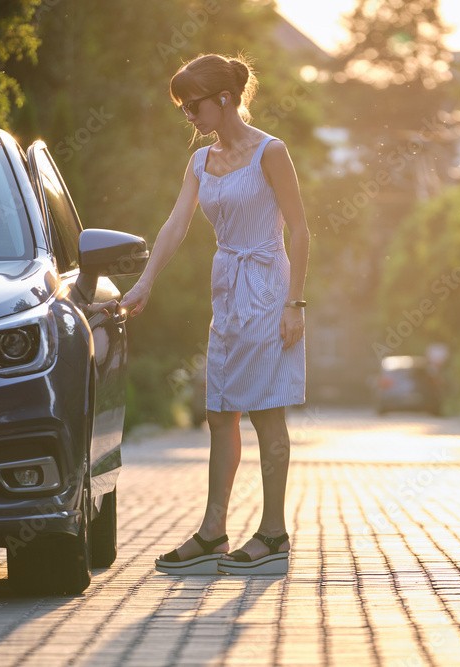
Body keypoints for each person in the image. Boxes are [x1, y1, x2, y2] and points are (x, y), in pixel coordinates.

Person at [120, 54, 309, 576]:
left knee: (267, 410)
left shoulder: (271, 151)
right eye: (184, 109)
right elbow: (176, 225)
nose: (190, 117)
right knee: (220, 414)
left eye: (193, 106)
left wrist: (295, 304)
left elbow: (300, 229)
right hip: (226, 290)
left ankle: (273, 534)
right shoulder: (201, 162)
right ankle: (213, 533)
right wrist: (145, 281)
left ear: (224, 99)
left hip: (269, 287)